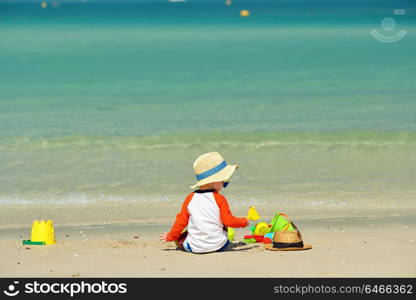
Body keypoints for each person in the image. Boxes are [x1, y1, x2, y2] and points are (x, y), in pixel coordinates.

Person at [159, 152, 249, 253]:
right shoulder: (220, 199)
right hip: (220, 246)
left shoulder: (190, 198)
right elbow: (229, 221)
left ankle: (188, 241)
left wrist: (170, 236)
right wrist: (244, 221)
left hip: (194, 248)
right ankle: (215, 240)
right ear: (214, 180)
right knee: (222, 221)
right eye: (224, 181)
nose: (225, 184)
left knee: (184, 234)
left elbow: (181, 222)